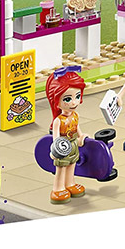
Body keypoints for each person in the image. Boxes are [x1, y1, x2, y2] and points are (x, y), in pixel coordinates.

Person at [45, 66, 87, 204]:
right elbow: (56, 138)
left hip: (73, 144)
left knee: (72, 164)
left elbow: (77, 127)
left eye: (77, 96)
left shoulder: (75, 115)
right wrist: (55, 150)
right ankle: (58, 189)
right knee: (61, 167)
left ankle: (70, 184)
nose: (74, 102)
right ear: (56, 101)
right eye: (68, 99)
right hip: (63, 146)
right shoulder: (58, 121)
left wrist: (81, 136)